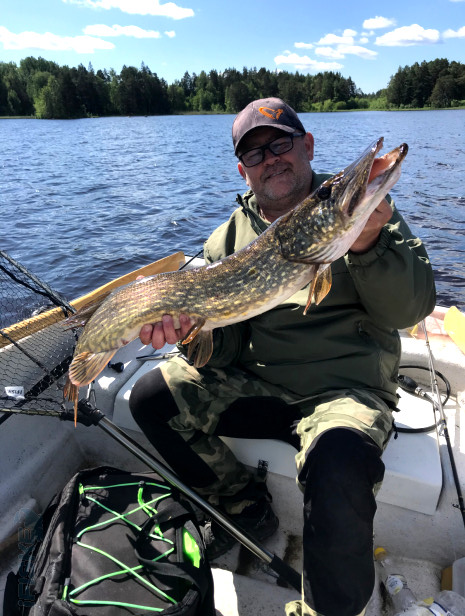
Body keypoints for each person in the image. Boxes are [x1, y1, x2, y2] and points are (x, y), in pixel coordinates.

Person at [129, 98, 436, 616]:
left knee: (339, 464)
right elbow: (223, 347)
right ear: (243, 170)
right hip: (261, 384)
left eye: (280, 144)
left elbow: (409, 309)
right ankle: (244, 505)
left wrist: (366, 242)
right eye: (255, 153)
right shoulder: (228, 239)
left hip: (345, 389)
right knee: (151, 399)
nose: (270, 159)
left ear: (307, 145)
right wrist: (190, 331)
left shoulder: (364, 211)